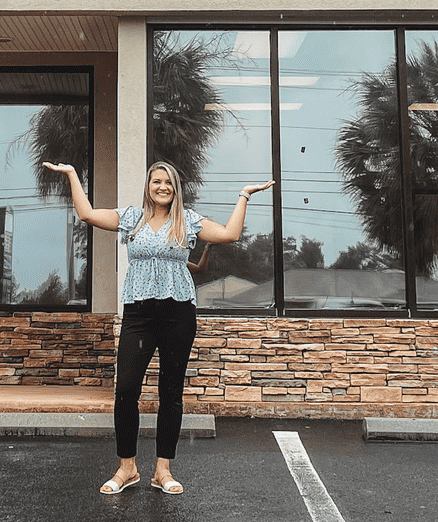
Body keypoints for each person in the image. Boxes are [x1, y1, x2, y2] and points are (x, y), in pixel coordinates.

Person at [42, 158, 273, 495]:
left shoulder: (187, 220)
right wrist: (73, 175)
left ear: (175, 189)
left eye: (168, 182)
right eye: (156, 181)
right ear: (148, 187)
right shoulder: (130, 218)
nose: (162, 187)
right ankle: (127, 468)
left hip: (178, 313)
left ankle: (162, 470)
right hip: (139, 314)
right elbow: (87, 214)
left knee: (170, 392)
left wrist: (244, 195)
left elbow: (229, 233)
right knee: (126, 390)